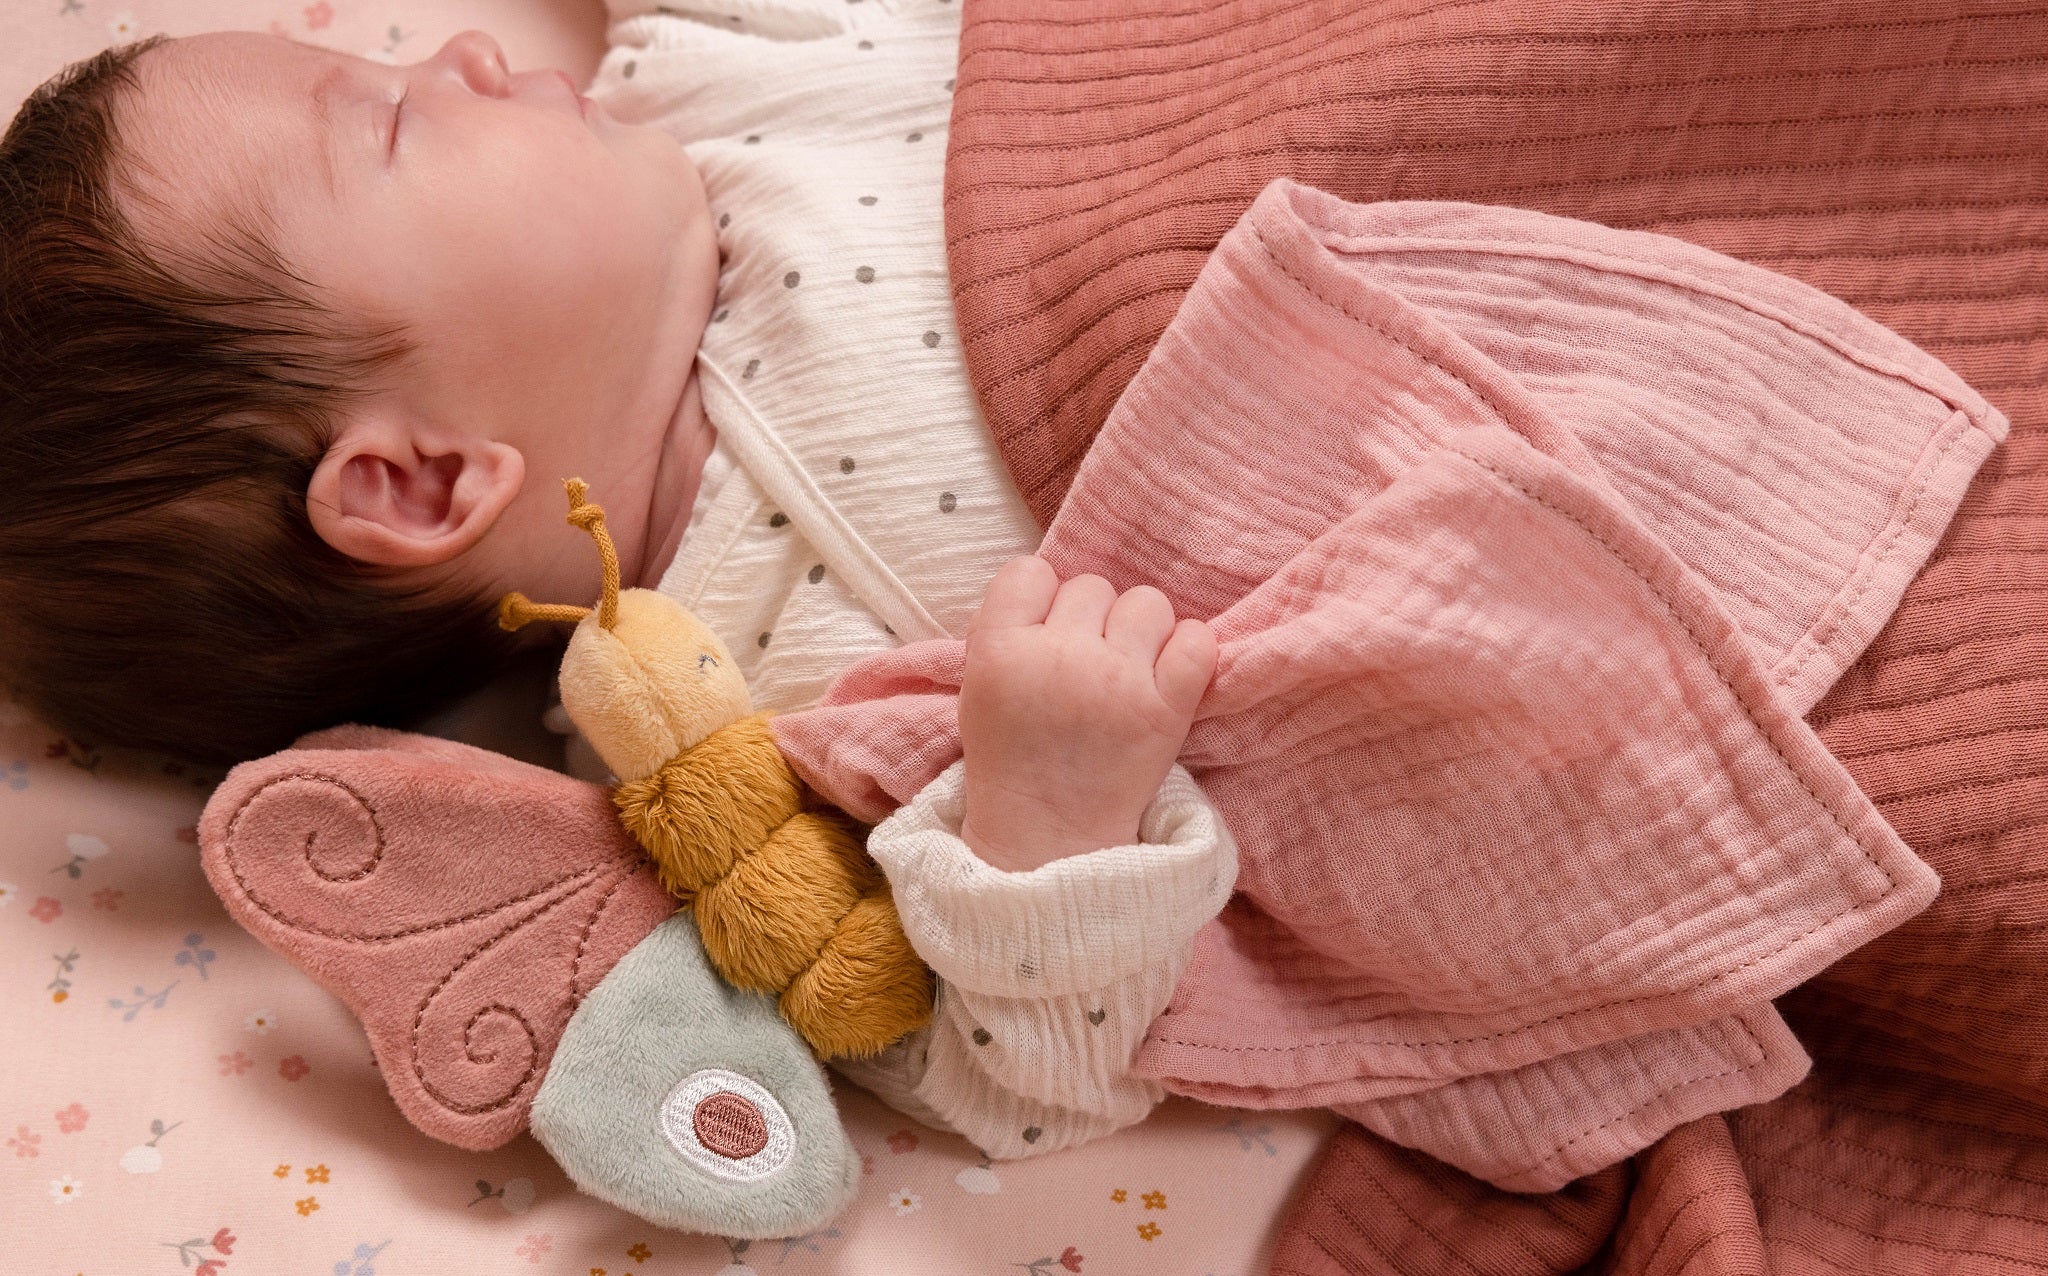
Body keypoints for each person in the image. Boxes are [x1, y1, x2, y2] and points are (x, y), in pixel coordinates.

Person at [0, 10, 1235, 1160]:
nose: (470, 51)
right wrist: (1049, 829)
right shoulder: (743, 735)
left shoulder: (713, 80)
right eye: (394, 121)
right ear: (421, 486)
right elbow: (1007, 1085)